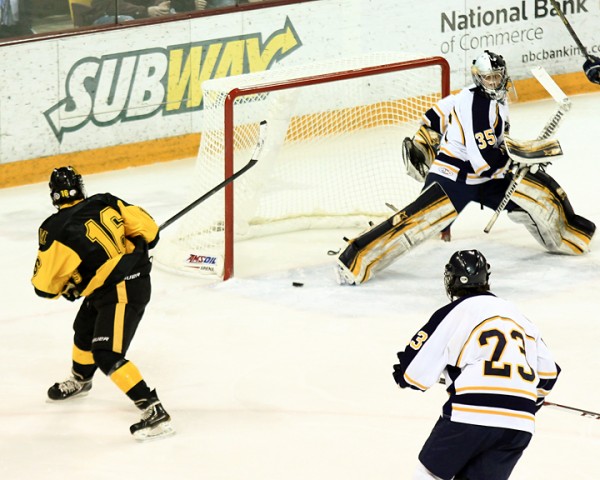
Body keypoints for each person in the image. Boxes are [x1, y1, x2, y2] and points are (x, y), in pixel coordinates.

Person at [335, 50, 595, 285]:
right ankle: (356, 258)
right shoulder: (477, 106)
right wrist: (521, 160)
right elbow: (483, 160)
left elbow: (434, 115)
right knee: (418, 222)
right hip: (454, 178)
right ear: (478, 79)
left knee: (541, 193)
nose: (494, 82)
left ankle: (569, 237)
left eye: (497, 76)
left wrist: (430, 134)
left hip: (488, 176)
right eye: (488, 78)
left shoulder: (482, 96)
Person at [31, 166, 174, 441]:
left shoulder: (54, 229)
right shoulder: (105, 200)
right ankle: (81, 381)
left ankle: (153, 409)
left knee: (106, 353)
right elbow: (150, 231)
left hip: (124, 286)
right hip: (107, 285)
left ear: (54, 197)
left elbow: (44, 288)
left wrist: (69, 285)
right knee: (83, 330)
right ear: (81, 188)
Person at [392, 249, 560, 480]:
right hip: (520, 423)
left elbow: (414, 375)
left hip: (470, 414)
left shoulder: (455, 311)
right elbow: (549, 373)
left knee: (429, 474)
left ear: (452, 279)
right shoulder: (520, 317)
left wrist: (403, 374)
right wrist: (533, 399)